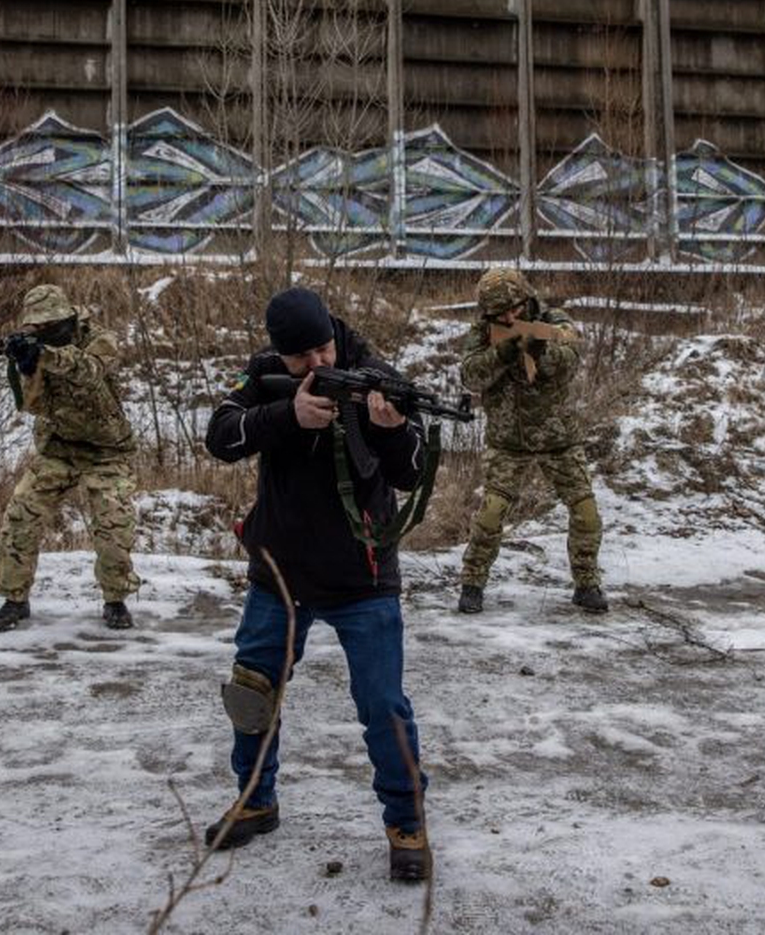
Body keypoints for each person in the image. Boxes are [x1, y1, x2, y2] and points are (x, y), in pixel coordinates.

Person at [201, 286, 432, 882]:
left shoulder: (374, 373)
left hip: (363, 574)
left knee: (383, 706)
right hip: (279, 572)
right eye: (302, 358)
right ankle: (257, 799)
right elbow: (220, 435)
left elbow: (409, 474)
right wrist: (287, 415)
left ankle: (406, 822)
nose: (319, 366)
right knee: (253, 692)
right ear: (280, 356)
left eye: (325, 349)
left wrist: (390, 429)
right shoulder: (261, 373)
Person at [0, 284, 141, 632]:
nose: (44, 333)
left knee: (113, 521)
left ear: (69, 319)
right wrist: (26, 367)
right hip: (58, 447)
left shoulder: (100, 339)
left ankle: (116, 600)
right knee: (21, 512)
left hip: (106, 451)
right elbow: (33, 406)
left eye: (50, 326)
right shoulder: (38, 350)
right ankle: (14, 599)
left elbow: (88, 372)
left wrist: (43, 355)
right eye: (37, 328)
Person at [455, 268, 606, 614]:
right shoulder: (482, 333)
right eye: (500, 314)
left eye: (515, 309)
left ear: (528, 299)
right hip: (508, 441)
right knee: (491, 514)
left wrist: (540, 349)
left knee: (586, 513)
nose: (510, 317)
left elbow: (569, 361)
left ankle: (587, 583)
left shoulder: (555, 321)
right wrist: (504, 353)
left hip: (559, 439)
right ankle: (472, 583)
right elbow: (470, 375)